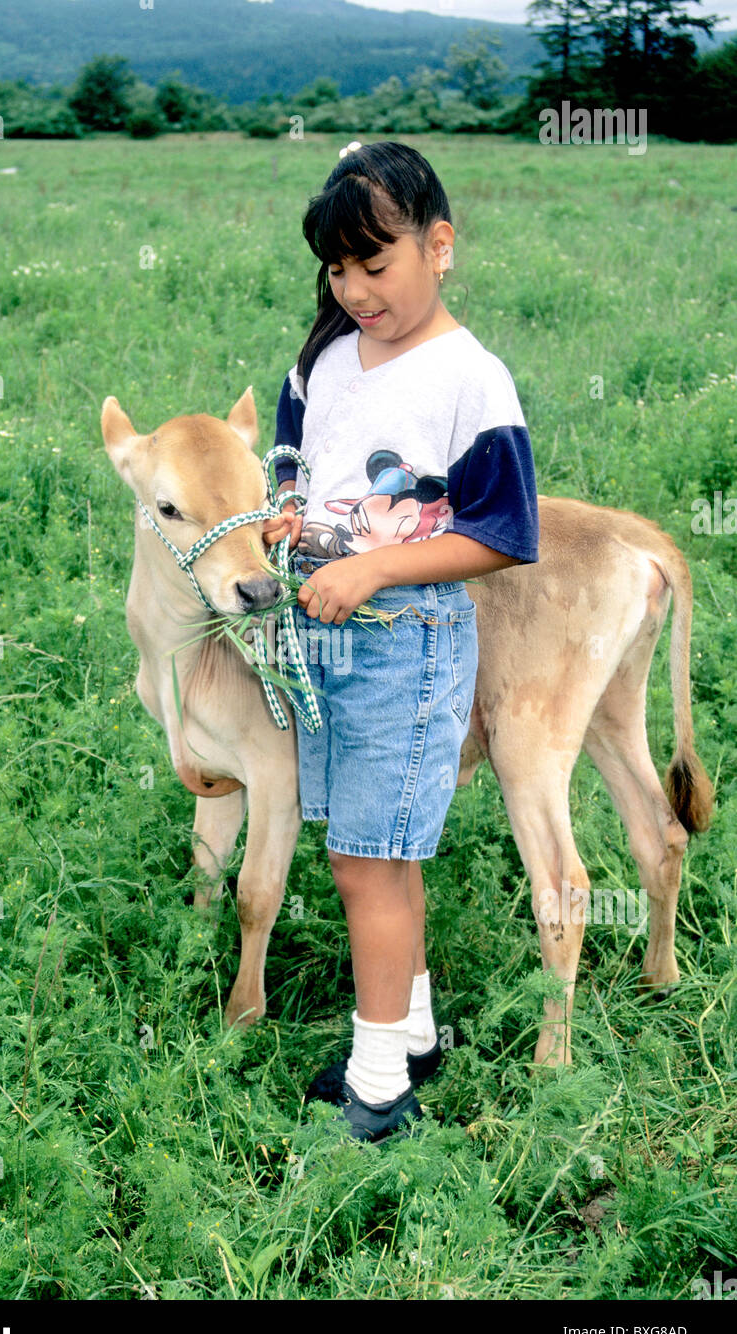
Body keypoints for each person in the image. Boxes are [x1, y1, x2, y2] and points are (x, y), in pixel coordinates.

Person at [262, 140, 539, 1143]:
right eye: (337, 269)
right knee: (361, 850)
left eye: (374, 264)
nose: (354, 289)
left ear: (439, 245)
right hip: (321, 634)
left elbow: (502, 531)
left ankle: (379, 1089)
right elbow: (294, 450)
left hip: (403, 639)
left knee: (365, 862)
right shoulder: (328, 354)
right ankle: (411, 1031)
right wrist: (288, 510)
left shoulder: (468, 378)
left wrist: (374, 565)